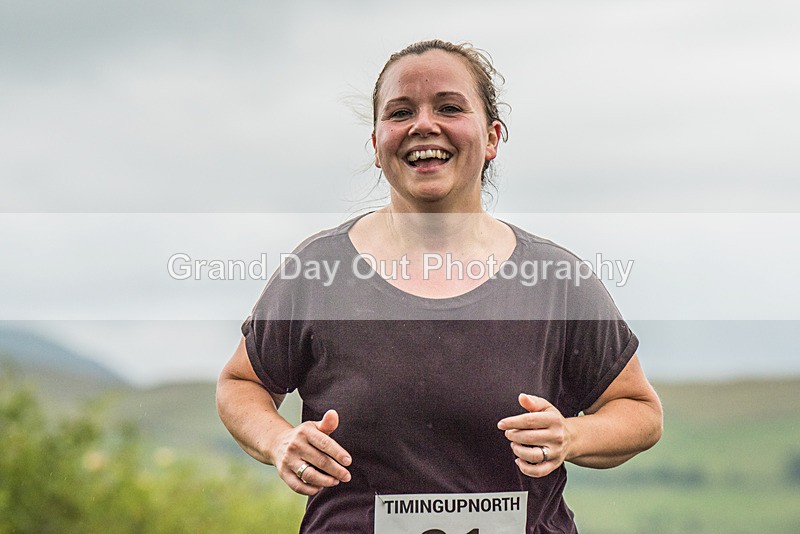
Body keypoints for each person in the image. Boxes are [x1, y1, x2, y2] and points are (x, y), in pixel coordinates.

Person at [216, 39, 663, 533]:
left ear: (492, 138)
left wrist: (571, 436)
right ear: (376, 145)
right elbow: (242, 384)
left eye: (449, 108)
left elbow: (639, 412)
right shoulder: (317, 272)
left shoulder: (557, 280)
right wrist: (278, 440)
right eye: (400, 112)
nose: (423, 125)